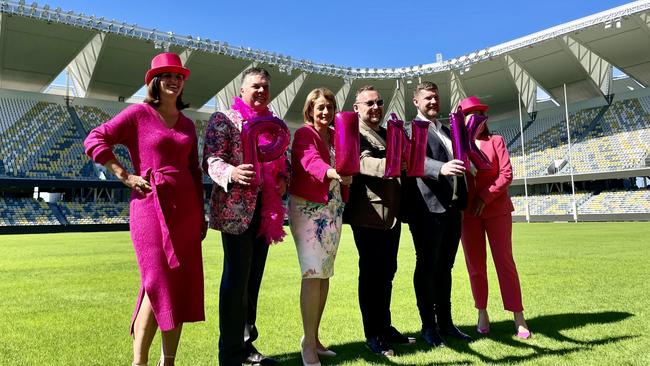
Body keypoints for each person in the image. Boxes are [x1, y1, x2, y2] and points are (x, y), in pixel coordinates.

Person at [84, 52, 205, 366]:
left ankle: (169, 361)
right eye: (167, 75)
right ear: (155, 81)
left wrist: (201, 214)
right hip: (150, 208)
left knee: (177, 288)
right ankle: (139, 362)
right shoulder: (137, 114)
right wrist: (124, 174)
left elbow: (194, 171)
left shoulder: (189, 126)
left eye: (179, 76)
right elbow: (95, 139)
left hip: (187, 213)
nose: (174, 81)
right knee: (156, 283)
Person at [203, 67, 288, 365]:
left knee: (253, 281)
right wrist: (232, 172)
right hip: (236, 211)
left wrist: (283, 178)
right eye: (255, 86)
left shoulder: (274, 125)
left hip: (266, 211)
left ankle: (247, 346)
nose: (261, 91)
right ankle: (229, 352)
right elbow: (211, 160)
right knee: (235, 280)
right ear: (241, 91)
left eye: (265, 86)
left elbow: (283, 162)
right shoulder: (224, 120)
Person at [343, 85, 415, 357]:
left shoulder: (388, 133)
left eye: (379, 102)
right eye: (369, 103)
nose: (375, 107)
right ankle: (373, 334)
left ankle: (385, 327)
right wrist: (395, 165)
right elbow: (363, 164)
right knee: (372, 275)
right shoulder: (351, 134)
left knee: (387, 274)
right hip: (368, 215)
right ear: (357, 108)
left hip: (392, 216)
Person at [402, 81, 471, 347]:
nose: (433, 101)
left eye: (436, 97)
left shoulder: (447, 130)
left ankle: (446, 322)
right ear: (416, 102)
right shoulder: (410, 130)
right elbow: (412, 157)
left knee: (445, 268)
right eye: (427, 98)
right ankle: (428, 327)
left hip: (453, 208)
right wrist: (440, 168)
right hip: (426, 208)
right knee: (427, 266)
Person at [458, 96, 531, 339]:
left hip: (496, 210)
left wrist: (485, 198)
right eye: (469, 114)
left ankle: (518, 316)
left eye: (478, 114)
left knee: (505, 262)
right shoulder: (457, 147)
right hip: (468, 214)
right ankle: (482, 312)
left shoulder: (496, 141)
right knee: (475, 266)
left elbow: (506, 174)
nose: (474, 118)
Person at [289, 88, 352, 366]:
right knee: (312, 274)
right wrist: (332, 172)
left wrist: (346, 177)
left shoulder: (336, 136)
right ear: (310, 110)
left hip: (332, 207)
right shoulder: (305, 134)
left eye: (329, 107)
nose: (325, 112)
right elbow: (309, 161)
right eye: (320, 107)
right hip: (308, 208)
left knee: (324, 275)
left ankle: (313, 338)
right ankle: (307, 344)